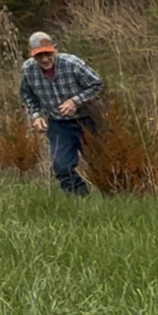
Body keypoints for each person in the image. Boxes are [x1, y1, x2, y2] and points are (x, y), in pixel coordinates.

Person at [19, 31, 105, 196]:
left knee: (100, 163)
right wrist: (36, 116)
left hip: (87, 120)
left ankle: (112, 198)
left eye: (48, 54)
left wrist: (75, 101)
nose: (44, 60)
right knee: (62, 166)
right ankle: (80, 200)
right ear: (32, 54)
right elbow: (28, 96)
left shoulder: (73, 64)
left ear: (55, 49)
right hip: (58, 124)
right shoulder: (28, 70)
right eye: (39, 56)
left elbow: (97, 85)